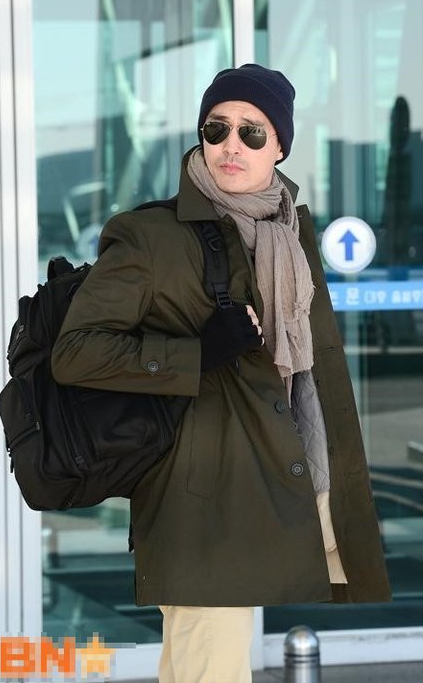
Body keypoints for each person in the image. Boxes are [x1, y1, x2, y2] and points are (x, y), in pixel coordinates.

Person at [51, 64, 391, 683]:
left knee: (197, 666)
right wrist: (197, 352)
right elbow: (76, 352)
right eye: (217, 128)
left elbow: (308, 380)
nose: (231, 144)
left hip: (271, 478)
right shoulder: (153, 234)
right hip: (199, 494)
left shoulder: (287, 235)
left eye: (251, 131)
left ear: (279, 145)